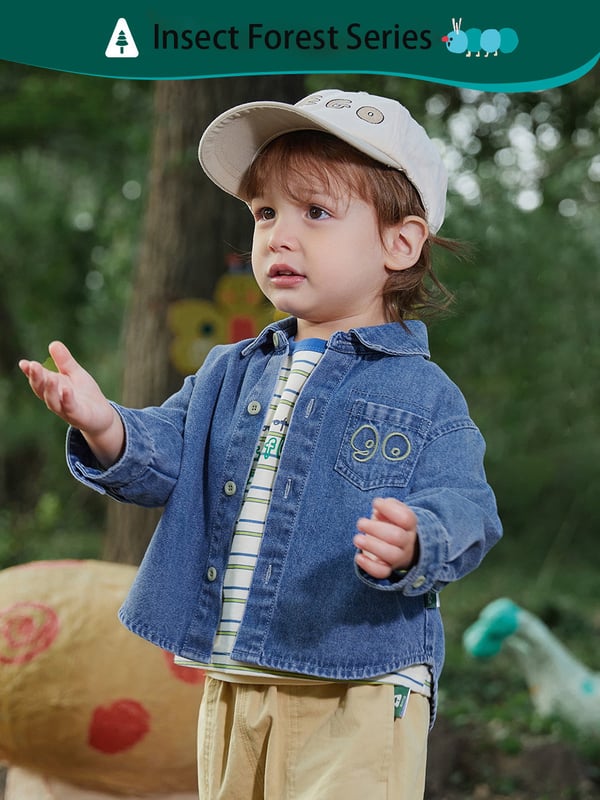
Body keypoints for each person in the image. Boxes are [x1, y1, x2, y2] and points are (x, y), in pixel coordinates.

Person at [20, 88, 502, 799]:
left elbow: (470, 508)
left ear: (400, 243)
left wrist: (419, 540)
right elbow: (166, 457)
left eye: (316, 212)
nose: (278, 235)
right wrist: (104, 424)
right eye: (265, 213)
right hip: (235, 672)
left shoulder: (422, 393)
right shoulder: (229, 371)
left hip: (357, 683)